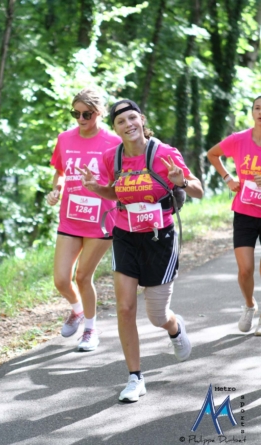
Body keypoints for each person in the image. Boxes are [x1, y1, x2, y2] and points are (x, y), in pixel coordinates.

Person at [77, 99, 203, 402]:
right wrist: (97, 189)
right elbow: (115, 192)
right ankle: (135, 377)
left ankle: (174, 328)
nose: (128, 124)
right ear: (116, 127)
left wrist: (181, 180)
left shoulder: (164, 153)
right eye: (121, 121)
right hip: (125, 235)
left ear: (141, 120)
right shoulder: (112, 158)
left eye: (133, 118)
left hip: (160, 238)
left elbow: (198, 189)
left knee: (156, 315)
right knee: (125, 308)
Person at [47, 88, 121, 352]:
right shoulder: (65, 139)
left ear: (99, 113)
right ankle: (77, 310)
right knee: (60, 279)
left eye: (86, 114)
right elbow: (59, 171)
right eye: (75, 113)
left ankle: (90, 330)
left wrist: (100, 186)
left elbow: (120, 181)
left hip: (101, 219)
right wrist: (56, 189)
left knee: (82, 276)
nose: (80, 118)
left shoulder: (113, 142)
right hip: (70, 217)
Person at [207, 95, 261, 336]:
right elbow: (212, 154)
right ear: (252, 112)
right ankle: (250, 305)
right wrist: (229, 179)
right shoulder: (239, 140)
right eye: (257, 108)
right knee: (245, 269)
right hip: (245, 212)